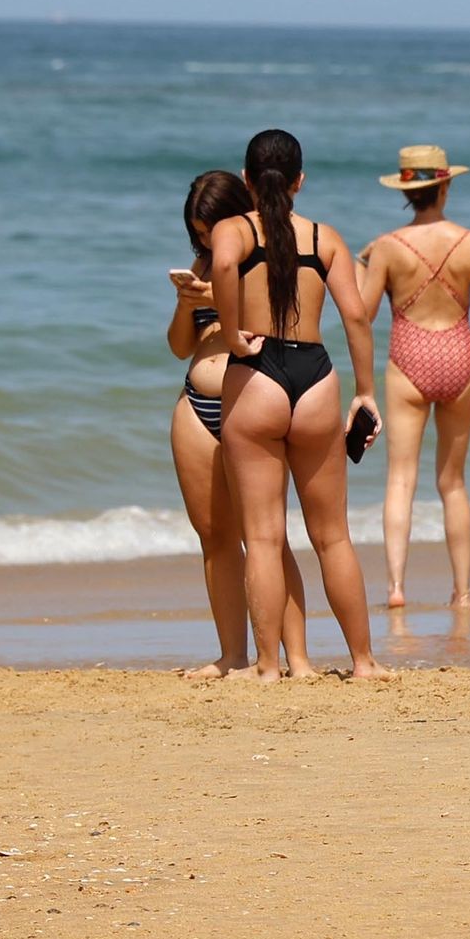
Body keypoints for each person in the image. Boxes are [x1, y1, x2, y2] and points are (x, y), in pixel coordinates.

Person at [210, 129, 393, 683]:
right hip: (316, 377)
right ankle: (364, 662)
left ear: (245, 179)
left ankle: (269, 666)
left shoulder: (234, 229)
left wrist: (235, 337)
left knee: (264, 536)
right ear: (299, 181)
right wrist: (365, 391)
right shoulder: (323, 237)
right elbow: (357, 315)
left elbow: (221, 267)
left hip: (256, 375)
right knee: (332, 534)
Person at [167, 171, 310, 679]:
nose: (205, 242)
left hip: (249, 401)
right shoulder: (206, 262)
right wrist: (190, 305)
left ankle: (297, 657)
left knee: (268, 536)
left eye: (210, 230)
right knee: (215, 537)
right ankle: (232, 654)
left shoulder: (270, 256)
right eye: (198, 235)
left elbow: (285, 329)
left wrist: (220, 301)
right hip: (196, 403)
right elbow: (181, 345)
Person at [357, 145, 470, 609]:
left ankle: (397, 589)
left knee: (401, 478)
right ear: (445, 187)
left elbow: (361, 316)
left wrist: (362, 264)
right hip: (459, 356)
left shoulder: (386, 247)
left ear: (407, 192)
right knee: (453, 483)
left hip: (408, 355)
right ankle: (462, 593)